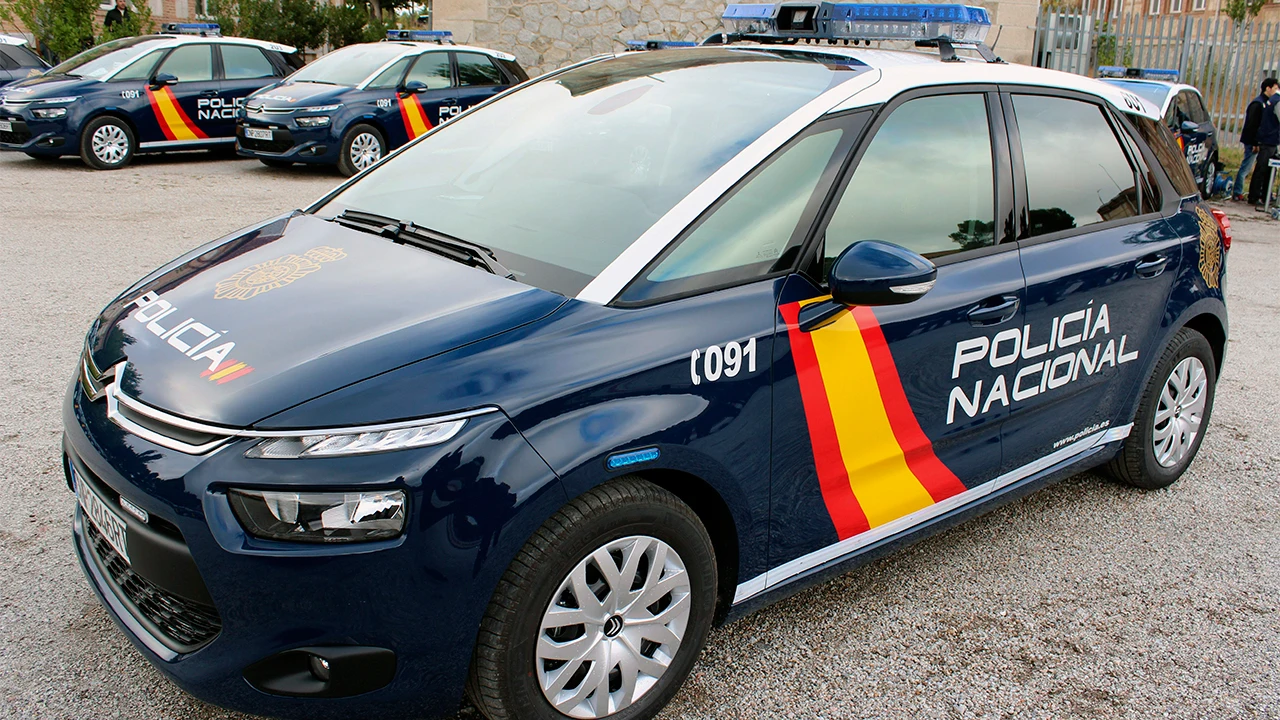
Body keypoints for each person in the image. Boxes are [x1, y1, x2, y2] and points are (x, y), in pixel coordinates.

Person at [1245, 78, 1279, 208]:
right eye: (1275, 88)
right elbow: (1253, 124)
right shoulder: (1259, 103)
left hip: (1268, 141)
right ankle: (1252, 195)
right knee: (1258, 169)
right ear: (1268, 88)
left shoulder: (1268, 102)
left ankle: (1263, 195)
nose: (1277, 92)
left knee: (1266, 170)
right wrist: (1254, 142)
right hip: (1265, 141)